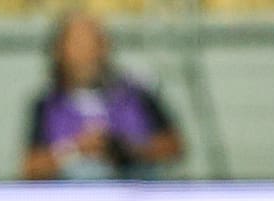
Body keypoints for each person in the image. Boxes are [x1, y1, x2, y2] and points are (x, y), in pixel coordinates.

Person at [22, 11, 184, 180]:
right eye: (79, 44)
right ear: (60, 51)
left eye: (95, 43)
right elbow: (31, 167)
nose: (88, 53)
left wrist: (126, 150)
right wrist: (76, 149)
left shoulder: (137, 93)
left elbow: (174, 147)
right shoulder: (48, 104)